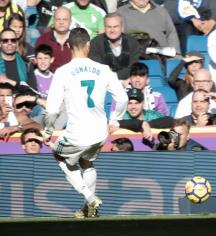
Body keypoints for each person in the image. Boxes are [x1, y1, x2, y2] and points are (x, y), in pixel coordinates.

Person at [43, 27, 128, 218]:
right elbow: (122, 98)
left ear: (68, 46)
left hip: (77, 132)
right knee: (86, 162)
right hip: (100, 132)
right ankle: (88, 209)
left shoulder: (63, 72)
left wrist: (48, 131)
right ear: (88, 45)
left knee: (59, 156)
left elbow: (52, 109)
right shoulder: (104, 69)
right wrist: (116, 119)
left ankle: (89, 196)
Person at [89, 13, 141, 81]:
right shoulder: (95, 43)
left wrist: (116, 77)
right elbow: (97, 69)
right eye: (109, 27)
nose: (112, 30)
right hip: (103, 82)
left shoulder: (133, 43)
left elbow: (133, 68)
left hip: (128, 81)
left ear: (122, 28)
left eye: (116, 26)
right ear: (104, 28)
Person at [117, 0, 181, 53]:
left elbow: (171, 34)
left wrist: (176, 55)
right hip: (136, 59)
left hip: (163, 57)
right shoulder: (121, 13)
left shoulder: (161, 11)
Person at [35, 6, 72, 73]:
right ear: (53, 21)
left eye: (65, 19)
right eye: (58, 19)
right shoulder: (43, 40)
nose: (61, 22)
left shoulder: (77, 41)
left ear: (70, 21)